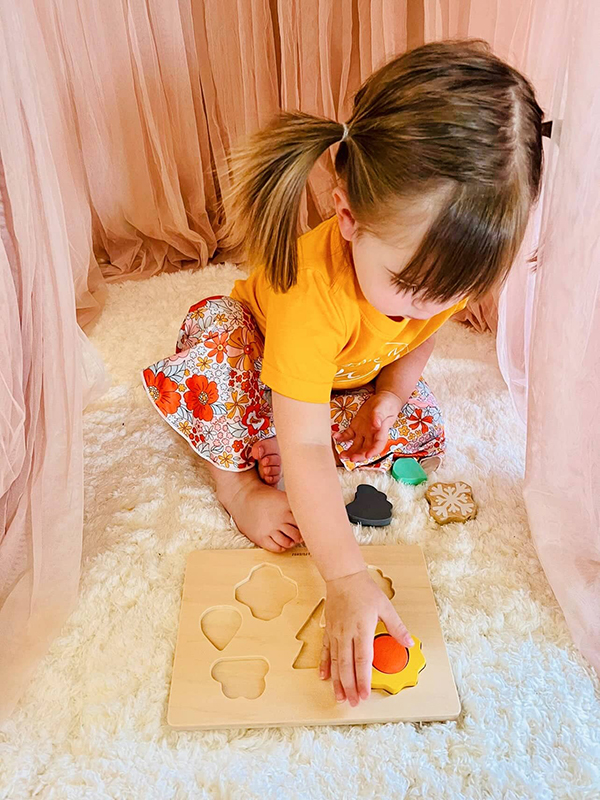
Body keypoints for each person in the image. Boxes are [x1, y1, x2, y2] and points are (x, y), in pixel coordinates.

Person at [142, 39, 543, 707]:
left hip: (345, 375)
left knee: (418, 423)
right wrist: (346, 577)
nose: (438, 307)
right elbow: (301, 445)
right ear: (347, 216)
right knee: (215, 371)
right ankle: (237, 485)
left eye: (459, 291)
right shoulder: (309, 298)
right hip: (261, 347)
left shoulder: (430, 289)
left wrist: (387, 397)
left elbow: (418, 339)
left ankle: (329, 425)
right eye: (419, 287)